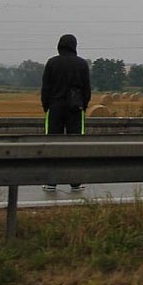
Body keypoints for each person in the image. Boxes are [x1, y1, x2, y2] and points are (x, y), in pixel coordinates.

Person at [40, 34, 91, 192]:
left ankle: (51, 182)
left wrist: (46, 106)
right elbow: (87, 89)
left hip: (55, 106)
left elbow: (45, 88)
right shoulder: (81, 64)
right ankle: (75, 182)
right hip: (75, 108)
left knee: (53, 143)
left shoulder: (52, 63)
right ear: (74, 46)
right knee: (75, 145)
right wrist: (84, 105)